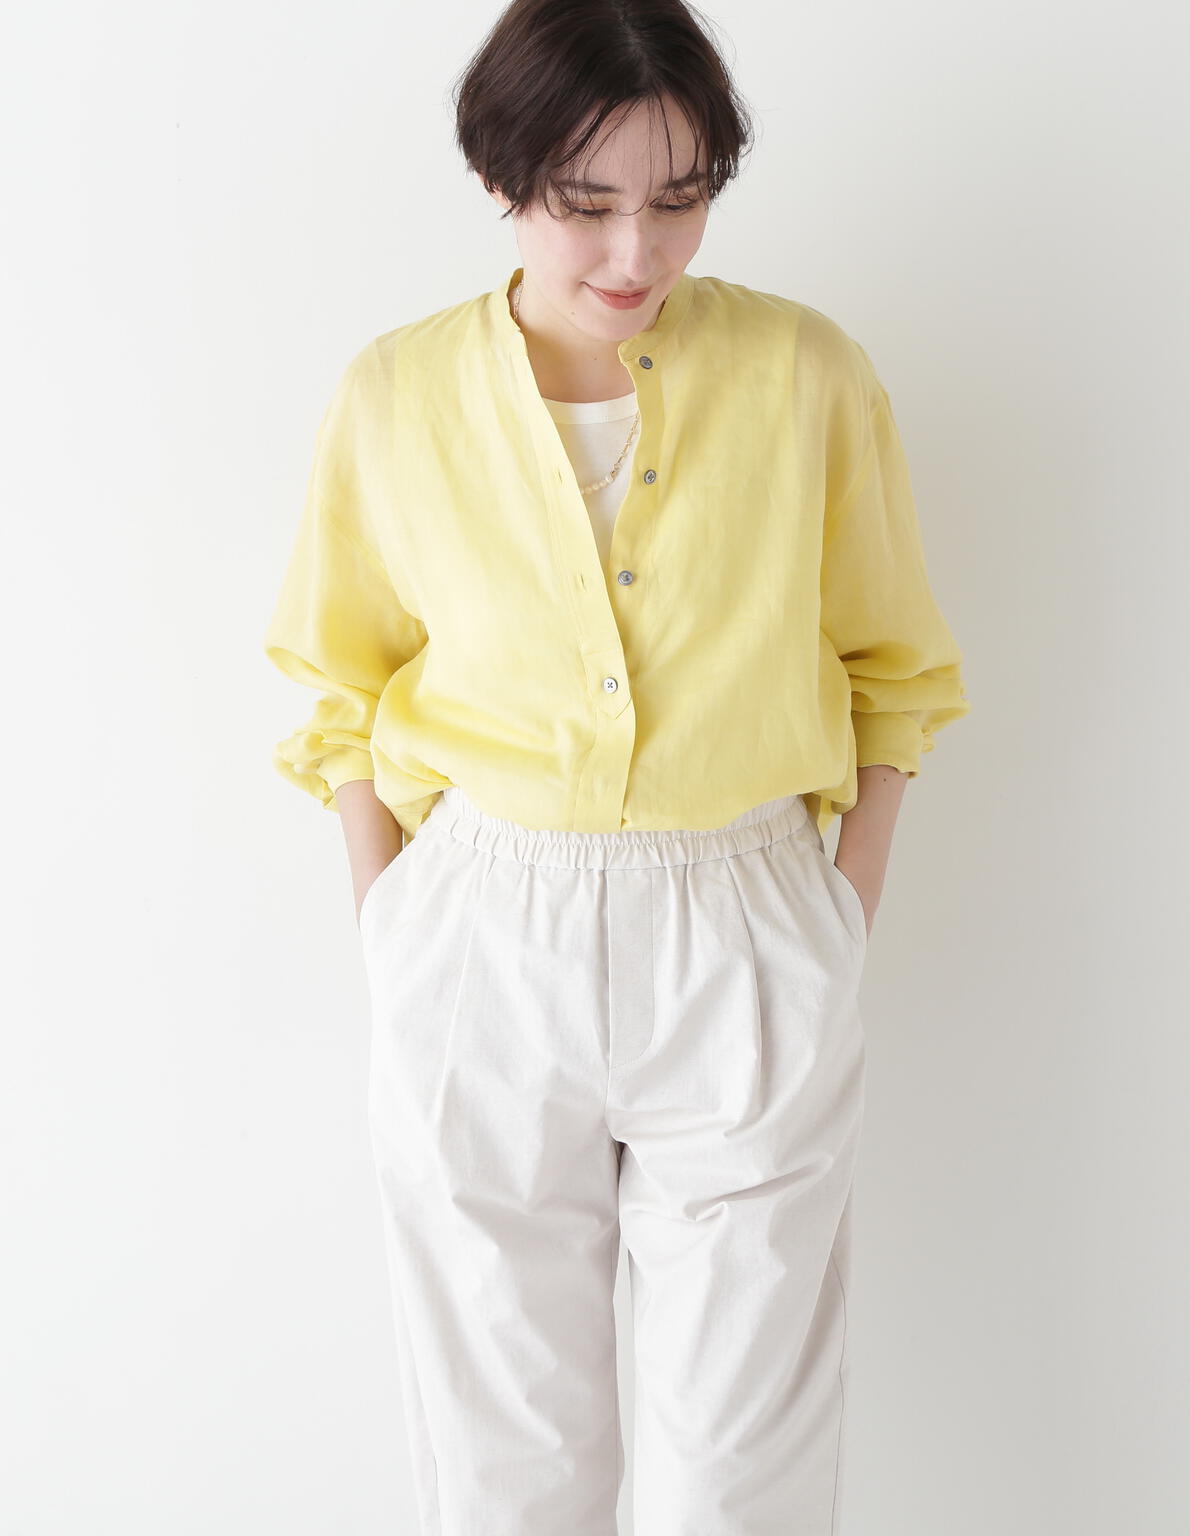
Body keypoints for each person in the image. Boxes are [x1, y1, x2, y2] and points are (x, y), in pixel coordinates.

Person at [263, 2, 970, 1530]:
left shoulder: (809, 377)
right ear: (498, 176)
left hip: (747, 923)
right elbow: (338, 680)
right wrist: (395, 922)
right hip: (481, 935)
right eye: (585, 205)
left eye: (681, 197)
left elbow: (895, 672)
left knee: (744, 1472)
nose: (635, 253)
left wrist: (834, 917)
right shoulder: (395, 396)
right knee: (504, 1464)